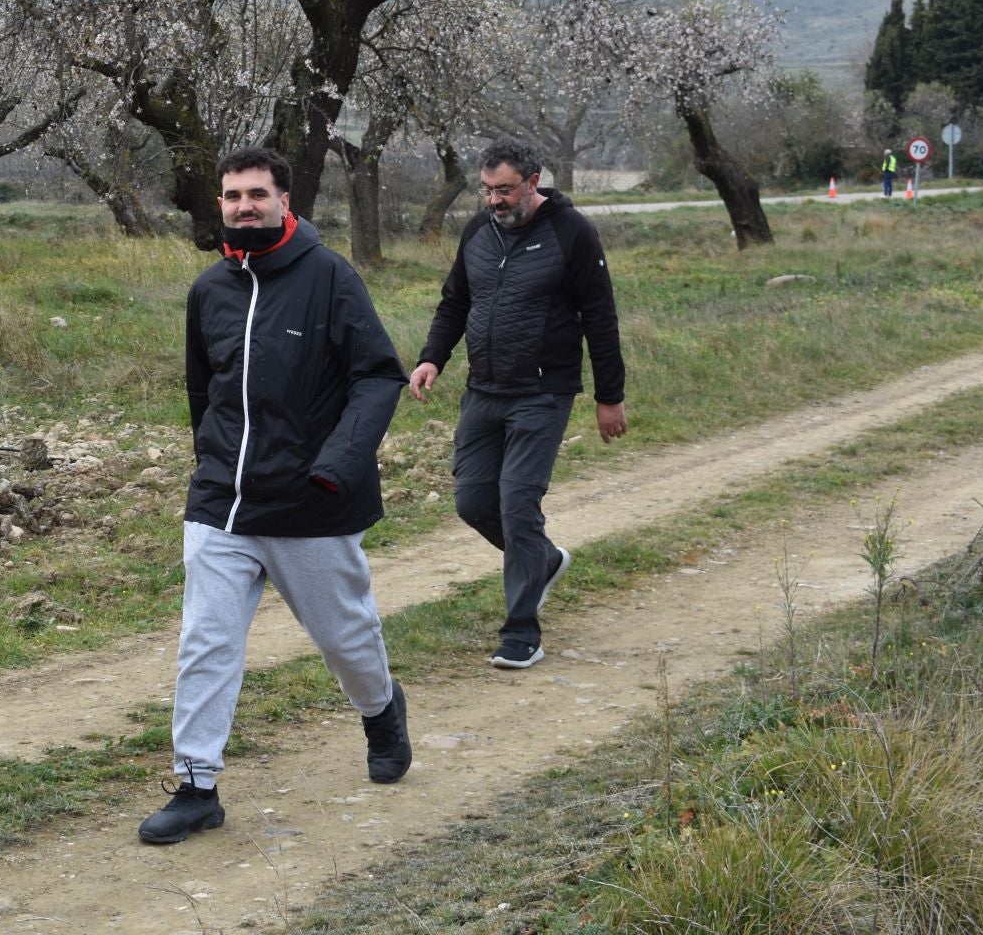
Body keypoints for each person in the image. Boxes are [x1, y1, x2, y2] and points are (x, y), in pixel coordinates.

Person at [139, 147, 411, 846]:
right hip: (223, 504)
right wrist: (211, 464)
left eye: (256, 194)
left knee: (344, 638)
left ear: (285, 200)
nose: (243, 206)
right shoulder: (210, 291)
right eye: (231, 196)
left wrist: (340, 462)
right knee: (206, 641)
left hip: (311, 503)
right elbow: (204, 391)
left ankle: (380, 709)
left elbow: (378, 377)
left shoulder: (330, 278)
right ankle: (197, 785)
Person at [407, 138, 626, 671]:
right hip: (483, 390)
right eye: (486, 190)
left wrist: (608, 397)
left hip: (542, 394)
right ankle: (544, 562)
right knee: (473, 503)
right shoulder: (479, 230)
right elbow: (456, 299)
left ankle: (521, 632)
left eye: (504, 190)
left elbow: (600, 317)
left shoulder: (571, 233)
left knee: (518, 507)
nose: (494, 201)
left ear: (532, 182)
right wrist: (432, 356)